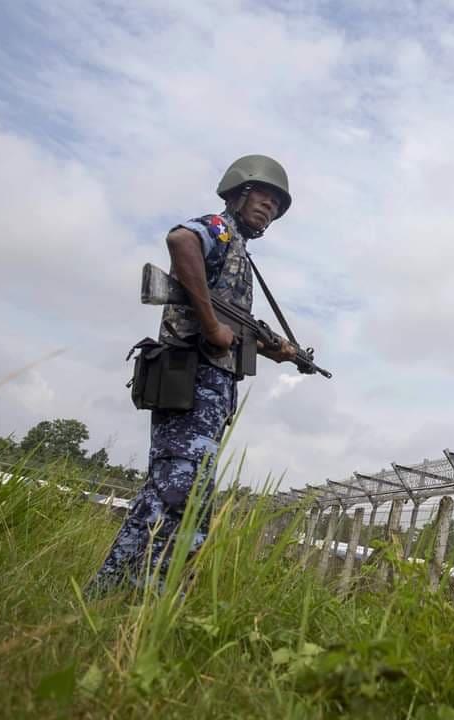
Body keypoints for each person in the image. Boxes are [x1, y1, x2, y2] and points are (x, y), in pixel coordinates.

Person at [88, 155, 297, 594]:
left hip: (208, 393)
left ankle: (108, 593)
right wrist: (211, 324)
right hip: (190, 382)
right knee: (184, 495)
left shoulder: (239, 254)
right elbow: (182, 240)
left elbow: (236, 333)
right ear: (240, 191)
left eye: (277, 205)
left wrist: (283, 352)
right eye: (264, 196)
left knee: (167, 494)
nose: (269, 208)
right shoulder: (218, 231)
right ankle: (155, 601)